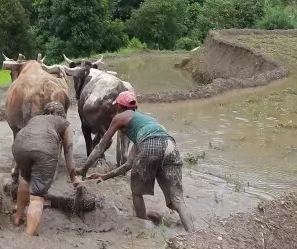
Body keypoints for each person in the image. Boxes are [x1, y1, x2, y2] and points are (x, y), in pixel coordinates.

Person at [79, 91, 194, 232]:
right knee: (177, 200)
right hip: (170, 145)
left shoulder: (121, 117)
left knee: (136, 192)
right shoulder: (145, 124)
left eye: (117, 108)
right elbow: (128, 165)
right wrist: (104, 177)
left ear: (120, 107)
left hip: (151, 144)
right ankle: (192, 235)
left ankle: (142, 229)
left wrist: (83, 169)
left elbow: (101, 145)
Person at [11, 101, 78, 235]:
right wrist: (74, 177)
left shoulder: (35, 119)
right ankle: (29, 236)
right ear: (62, 115)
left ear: (45, 112)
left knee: (24, 180)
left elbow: (25, 138)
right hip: (44, 150)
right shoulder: (63, 123)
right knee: (37, 196)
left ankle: (18, 217)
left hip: (19, 146)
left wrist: (16, 169)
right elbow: (68, 151)